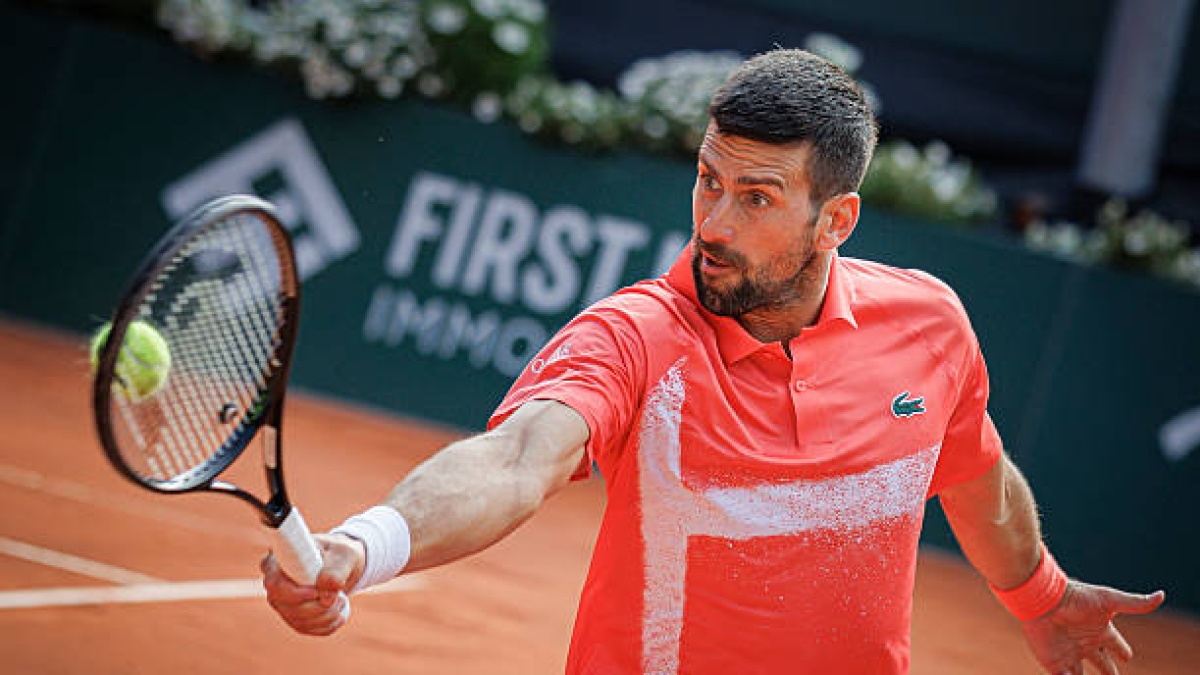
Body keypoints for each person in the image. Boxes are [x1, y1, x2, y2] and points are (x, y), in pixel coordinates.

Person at [261, 49, 1165, 674]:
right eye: (708, 179)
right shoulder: (640, 334)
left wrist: (1043, 597)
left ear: (837, 220)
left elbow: (976, 477)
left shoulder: (928, 326)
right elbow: (513, 459)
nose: (715, 224)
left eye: (757, 197)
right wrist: (366, 544)